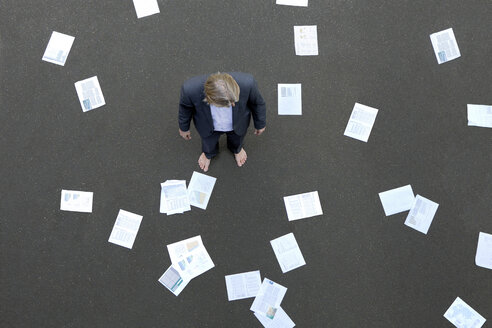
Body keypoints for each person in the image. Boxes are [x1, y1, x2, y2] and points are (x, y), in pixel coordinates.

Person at [178, 72, 266, 172]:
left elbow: (257, 103)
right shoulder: (190, 90)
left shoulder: (248, 83)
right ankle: (208, 153)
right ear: (209, 99)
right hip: (208, 126)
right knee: (208, 141)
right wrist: (184, 128)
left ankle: (236, 149)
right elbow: (185, 108)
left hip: (238, 124)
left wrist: (260, 123)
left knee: (237, 138)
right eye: (228, 103)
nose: (233, 104)